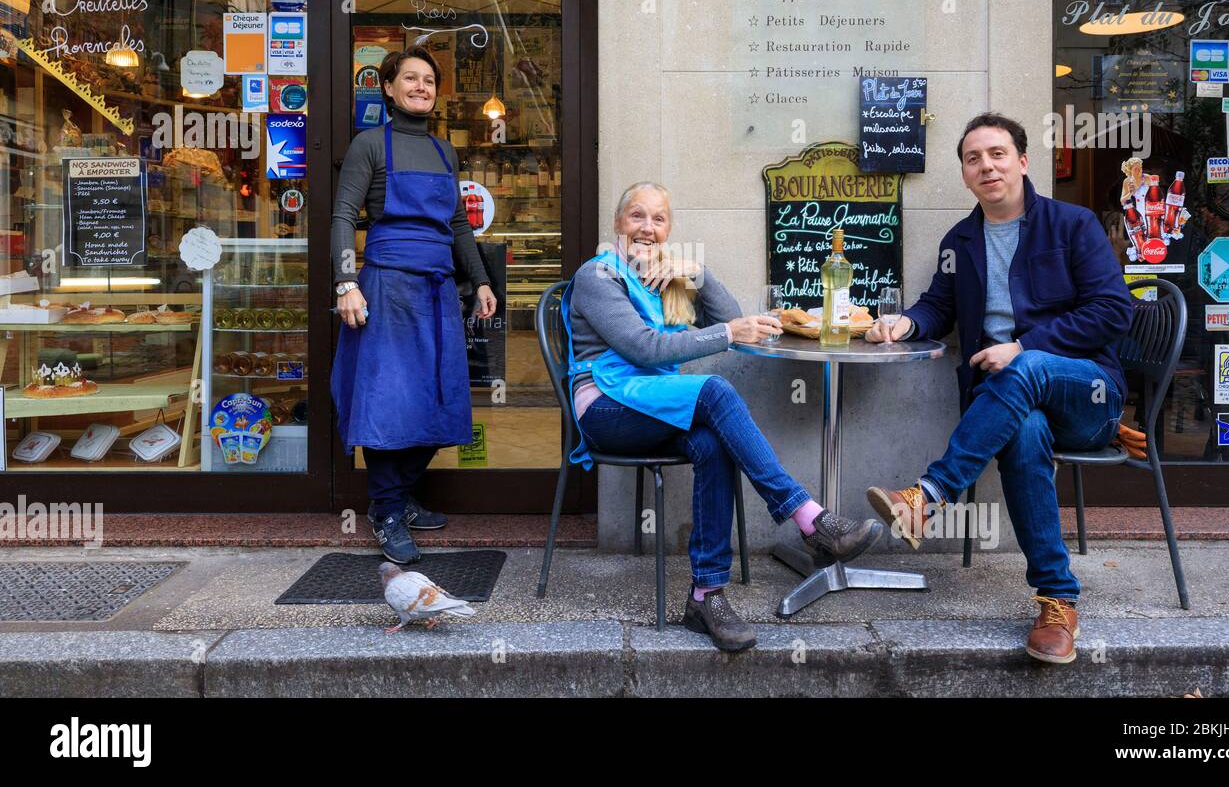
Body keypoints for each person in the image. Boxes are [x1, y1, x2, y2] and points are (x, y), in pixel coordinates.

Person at [565, 181, 883, 652]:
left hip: (656, 403)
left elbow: (734, 320)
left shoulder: (664, 276)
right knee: (715, 390)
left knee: (714, 445)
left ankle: (706, 595)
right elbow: (644, 349)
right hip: (607, 408)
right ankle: (809, 517)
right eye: (636, 216)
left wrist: (696, 272)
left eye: (658, 219)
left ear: (669, 228)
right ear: (617, 223)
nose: (647, 228)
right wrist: (725, 331)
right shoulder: (599, 276)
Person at [864, 112, 1132, 665]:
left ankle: (929, 496)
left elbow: (1113, 311)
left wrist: (1025, 345)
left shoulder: (1072, 225)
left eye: (997, 153)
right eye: (972, 158)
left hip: (1088, 395)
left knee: (1027, 364)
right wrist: (904, 324)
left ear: (1023, 162)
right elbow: (938, 306)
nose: (986, 165)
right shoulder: (960, 241)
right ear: (964, 175)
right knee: (1024, 426)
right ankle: (1057, 602)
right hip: (1012, 407)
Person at [330, 45, 497, 564]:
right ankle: (384, 509)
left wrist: (482, 281)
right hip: (386, 286)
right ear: (389, 87)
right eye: (410, 78)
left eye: (428, 80)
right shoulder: (369, 145)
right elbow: (341, 216)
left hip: (438, 287)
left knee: (439, 394)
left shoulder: (447, 153)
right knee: (387, 399)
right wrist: (345, 283)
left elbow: (457, 225)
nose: (421, 87)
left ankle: (398, 498)